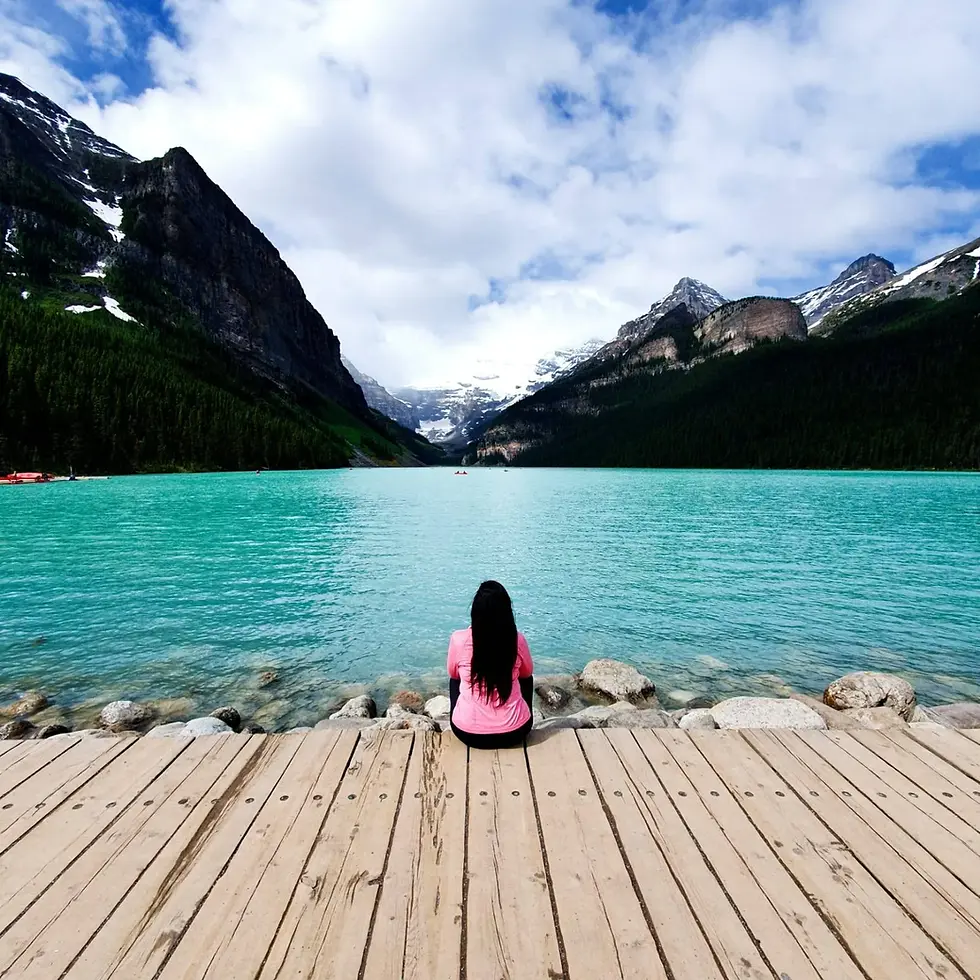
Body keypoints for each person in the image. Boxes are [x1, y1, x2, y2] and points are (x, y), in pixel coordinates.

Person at [447, 580, 533, 748]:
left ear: (475, 612)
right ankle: (520, 713)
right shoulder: (517, 639)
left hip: (468, 733)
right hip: (516, 731)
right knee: (526, 678)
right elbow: (527, 673)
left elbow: (453, 674)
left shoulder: (458, 639)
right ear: (507, 612)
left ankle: (466, 715)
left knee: (455, 679)